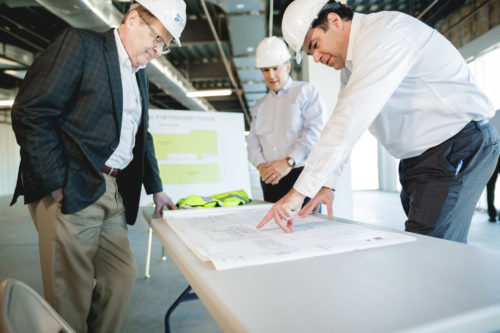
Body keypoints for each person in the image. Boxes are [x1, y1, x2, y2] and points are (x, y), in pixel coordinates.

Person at [257, 0, 499, 243]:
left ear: (334, 20)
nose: (317, 58)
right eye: (311, 54)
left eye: (315, 45)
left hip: (457, 144)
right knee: (429, 248)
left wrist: (298, 193)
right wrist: (327, 185)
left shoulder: (384, 36)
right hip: (420, 160)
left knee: (431, 249)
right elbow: (341, 122)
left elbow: (348, 122)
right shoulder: (352, 66)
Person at [9, 0, 186, 331]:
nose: (159, 50)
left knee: (120, 278)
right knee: (69, 296)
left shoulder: (139, 76)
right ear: (133, 19)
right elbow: (31, 112)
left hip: (113, 190)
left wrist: (157, 188)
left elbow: (140, 136)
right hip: (72, 184)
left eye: (166, 45)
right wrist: (55, 182)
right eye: (157, 38)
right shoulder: (81, 46)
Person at [246, 36, 327, 207]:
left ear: (287, 67)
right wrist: (261, 166)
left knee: (305, 229)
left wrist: (288, 162)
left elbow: (314, 132)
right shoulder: (260, 106)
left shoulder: (305, 92)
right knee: (273, 231)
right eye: (265, 70)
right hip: (269, 180)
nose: (271, 75)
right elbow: (253, 141)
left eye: (276, 68)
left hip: (299, 177)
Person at [486, 110, 500, 222]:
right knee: (490, 185)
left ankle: (492, 214)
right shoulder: (494, 113)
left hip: (493, 153)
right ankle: (493, 213)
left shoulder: (494, 113)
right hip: (494, 153)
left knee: (490, 186)